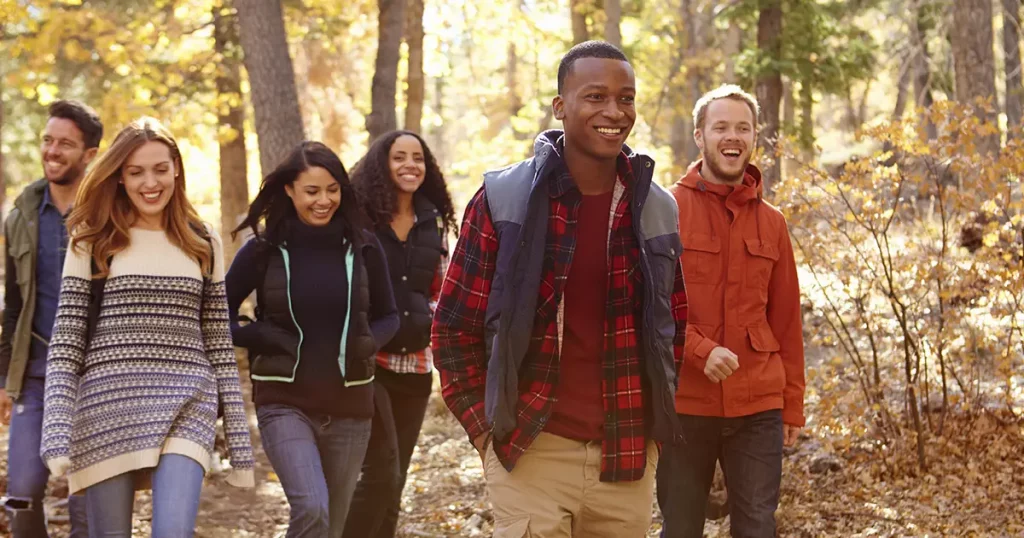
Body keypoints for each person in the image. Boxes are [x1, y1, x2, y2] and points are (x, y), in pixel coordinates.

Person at [431, 40, 688, 537]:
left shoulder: (657, 207)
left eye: (626, 98)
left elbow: (672, 326)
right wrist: (485, 433)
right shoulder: (505, 200)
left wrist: (654, 434)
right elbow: (453, 327)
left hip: (627, 455)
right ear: (560, 106)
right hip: (531, 449)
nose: (614, 111)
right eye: (595, 96)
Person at [39, 116, 255, 537]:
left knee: (173, 531)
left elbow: (217, 343)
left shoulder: (202, 240)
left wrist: (239, 444)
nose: (149, 183)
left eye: (160, 168)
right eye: (135, 172)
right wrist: (56, 432)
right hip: (108, 409)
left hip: (187, 403)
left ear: (176, 167)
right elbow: (66, 343)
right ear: (119, 177)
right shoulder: (92, 240)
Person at [226, 141, 400, 538]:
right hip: (284, 403)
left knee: (331, 527)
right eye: (312, 191)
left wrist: (368, 342)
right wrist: (257, 335)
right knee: (312, 508)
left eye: (333, 189)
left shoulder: (364, 247)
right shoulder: (263, 250)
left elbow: (389, 316)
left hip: (352, 405)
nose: (324, 200)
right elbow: (214, 316)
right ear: (289, 190)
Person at [656, 84, 806, 538]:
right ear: (700, 136)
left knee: (757, 526)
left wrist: (792, 406)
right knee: (681, 527)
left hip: (757, 403)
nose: (732, 136)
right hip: (684, 401)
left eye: (743, 127)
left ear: (755, 137)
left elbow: (786, 321)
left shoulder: (773, 222)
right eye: (721, 126)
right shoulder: (666, 209)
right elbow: (650, 308)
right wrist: (700, 351)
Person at [343, 130, 457, 538]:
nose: (410, 165)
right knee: (381, 475)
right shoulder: (361, 222)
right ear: (382, 166)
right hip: (371, 364)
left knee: (396, 483)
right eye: (399, 158)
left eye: (418, 158)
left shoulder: (433, 223)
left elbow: (441, 292)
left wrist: (426, 321)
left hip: (416, 366)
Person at [0, 99, 101, 538]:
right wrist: (6, 377)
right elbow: (14, 305)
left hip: (96, 371)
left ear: (90, 155)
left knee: (87, 492)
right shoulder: (21, 215)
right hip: (38, 372)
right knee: (20, 489)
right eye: (47, 140)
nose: (52, 151)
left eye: (65, 143)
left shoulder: (110, 213)